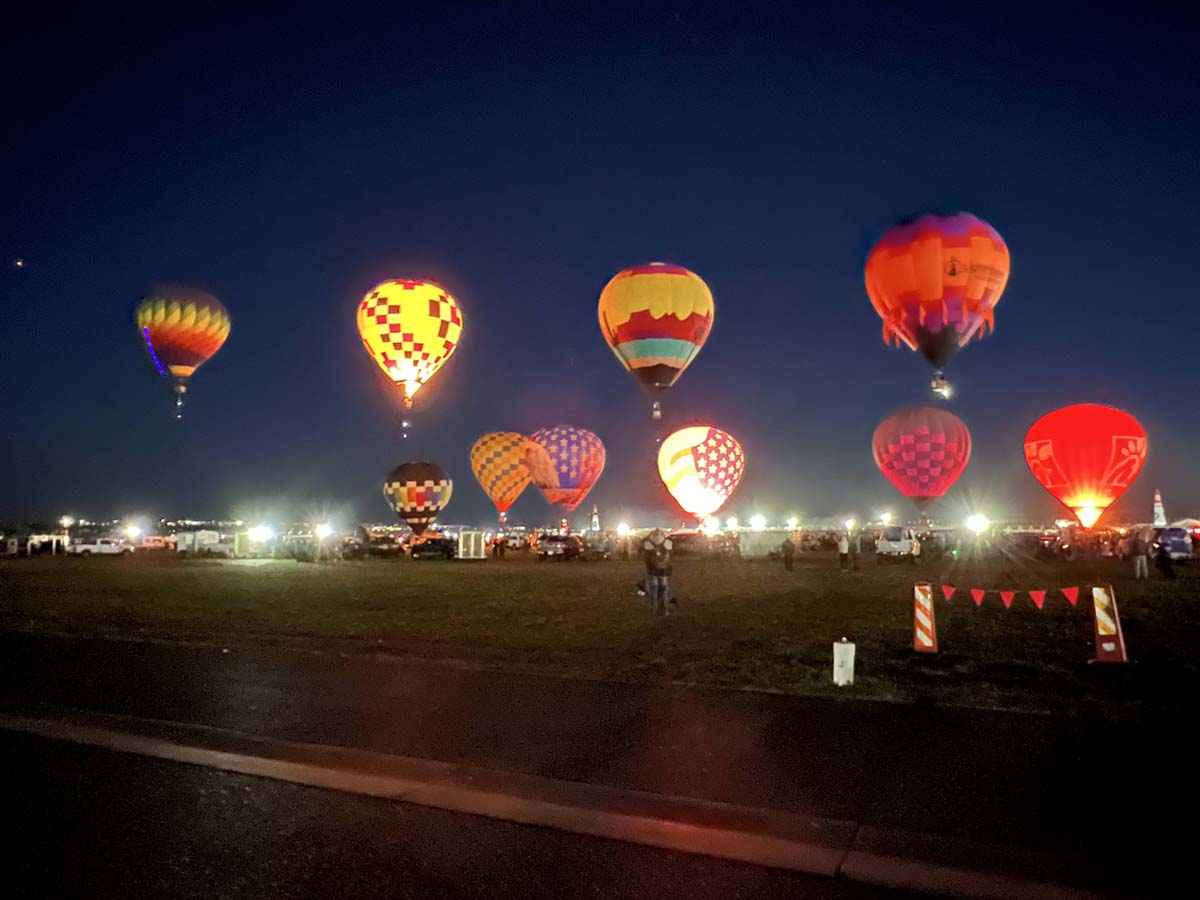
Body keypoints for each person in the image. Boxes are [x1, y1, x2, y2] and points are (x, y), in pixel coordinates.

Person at [642, 528, 674, 616]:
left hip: (652, 570)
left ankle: (654, 609)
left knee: (654, 589)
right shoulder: (668, 543)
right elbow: (670, 555)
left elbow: (645, 557)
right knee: (663, 589)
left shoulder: (648, 544)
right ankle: (664, 609)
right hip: (664, 570)